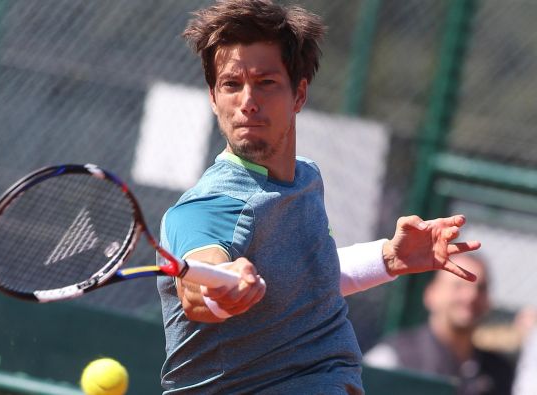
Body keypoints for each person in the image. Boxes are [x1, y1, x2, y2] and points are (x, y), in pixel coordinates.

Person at [156, 1, 480, 393]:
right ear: (213, 97)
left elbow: (305, 280)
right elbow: (198, 283)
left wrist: (388, 258)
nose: (247, 101)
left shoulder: (305, 178)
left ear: (299, 94)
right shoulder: (209, 206)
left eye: (266, 82)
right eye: (231, 84)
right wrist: (222, 290)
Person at [364, 255, 514, 395]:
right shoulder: (394, 358)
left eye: (480, 288)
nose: (471, 296)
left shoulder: (498, 373)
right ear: (431, 294)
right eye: (459, 285)